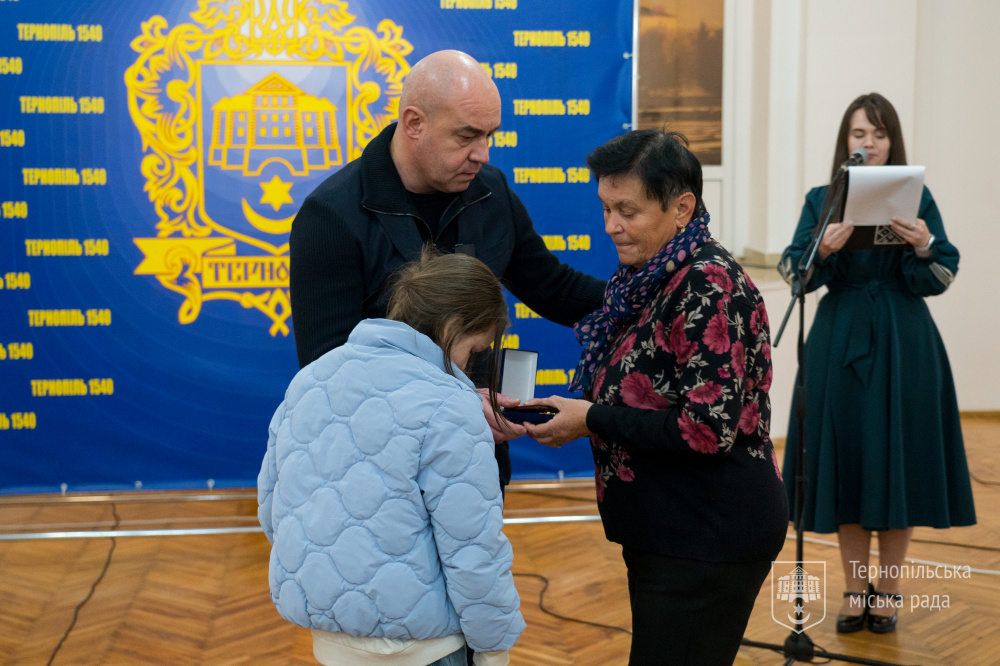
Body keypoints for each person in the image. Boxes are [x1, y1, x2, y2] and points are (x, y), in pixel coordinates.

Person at [523, 129, 789, 665]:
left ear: (681, 207)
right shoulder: (649, 277)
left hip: (708, 535)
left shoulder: (708, 286)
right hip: (670, 528)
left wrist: (592, 418)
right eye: (605, 207)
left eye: (627, 210)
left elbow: (706, 432)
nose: (610, 226)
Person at [288, 49, 606, 487]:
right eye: (467, 136)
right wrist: (455, 401)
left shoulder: (491, 192)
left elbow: (553, 287)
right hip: (379, 468)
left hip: (477, 457)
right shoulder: (331, 215)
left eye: (490, 135)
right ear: (414, 123)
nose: (483, 154)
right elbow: (328, 372)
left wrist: (659, 299)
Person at [258, 250, 526, 666]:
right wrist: (494, 649)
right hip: (427, 649)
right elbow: (472, 550)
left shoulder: (310, 379)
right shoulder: (449, 404)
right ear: (453, 327)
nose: (471, 366)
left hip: (330, 640)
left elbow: (273, 507)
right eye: (475, 351)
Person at [777, 92, 976, 634]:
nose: (869, 143)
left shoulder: (917, 198)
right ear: (846, 142)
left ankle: (886, 591)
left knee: (899, 466)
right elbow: (793, 272)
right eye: (859, 134)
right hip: (837, 341)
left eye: (880, 134)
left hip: (904, 340)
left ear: (894, 143)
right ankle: (851, 589)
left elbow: (942, 274)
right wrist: (824, 252)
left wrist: (925, 245)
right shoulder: (822, 199)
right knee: (847, 465)